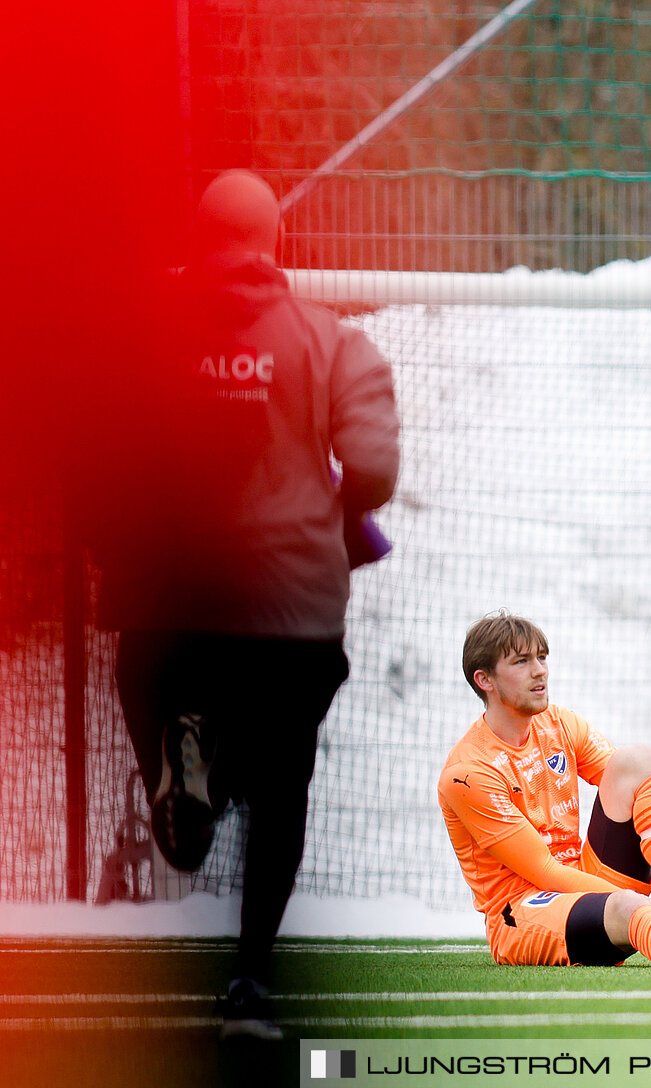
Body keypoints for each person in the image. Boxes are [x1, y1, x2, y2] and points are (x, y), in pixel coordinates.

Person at [95, 170, 401, 1036]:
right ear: (275, 243)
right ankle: (251, 983)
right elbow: (374, 467)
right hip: (288, 609)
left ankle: (192, 777)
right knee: (282, 788)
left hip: (165, 602)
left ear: (198, 243)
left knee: (186, 814)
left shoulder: (141, 339)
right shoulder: (331, 343)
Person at [438, 612, 651, 970]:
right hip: (524, 911)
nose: (540, 671)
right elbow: (544, 870)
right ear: (484, 680)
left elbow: (640, 786)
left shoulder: (559, 723)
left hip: (584, 876)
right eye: (522, 661)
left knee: (637, 760)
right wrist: (639, 905)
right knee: (628, 907)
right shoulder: (467, 773)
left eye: (542, 658)